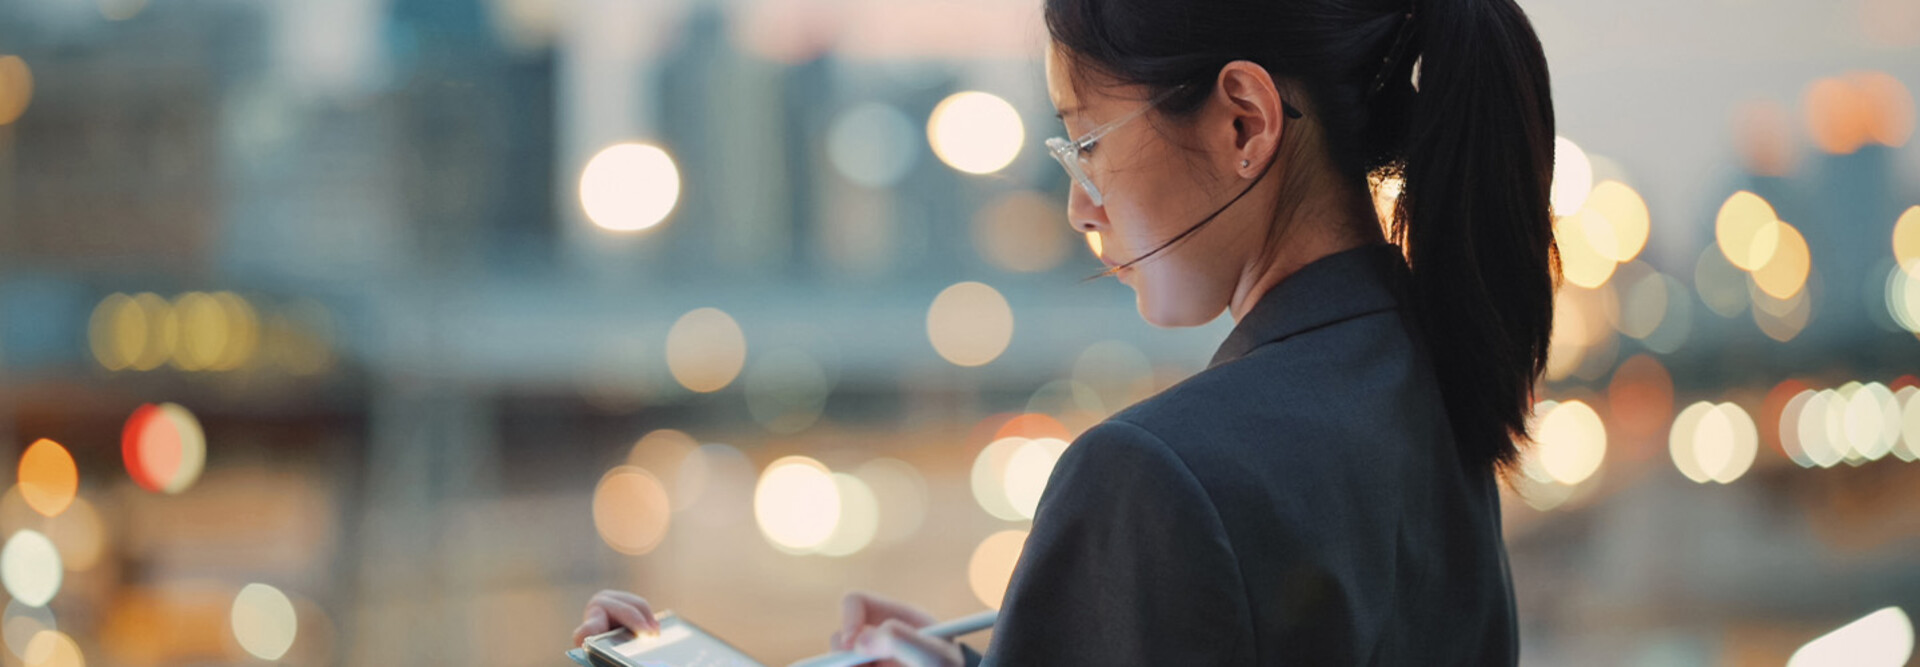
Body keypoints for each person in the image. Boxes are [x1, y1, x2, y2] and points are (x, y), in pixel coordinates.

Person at [575, 0, 1559, 661]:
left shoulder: (1154, 475)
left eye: (1086, 139)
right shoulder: (1432, 383)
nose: (1081, 205)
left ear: (1245, 124)